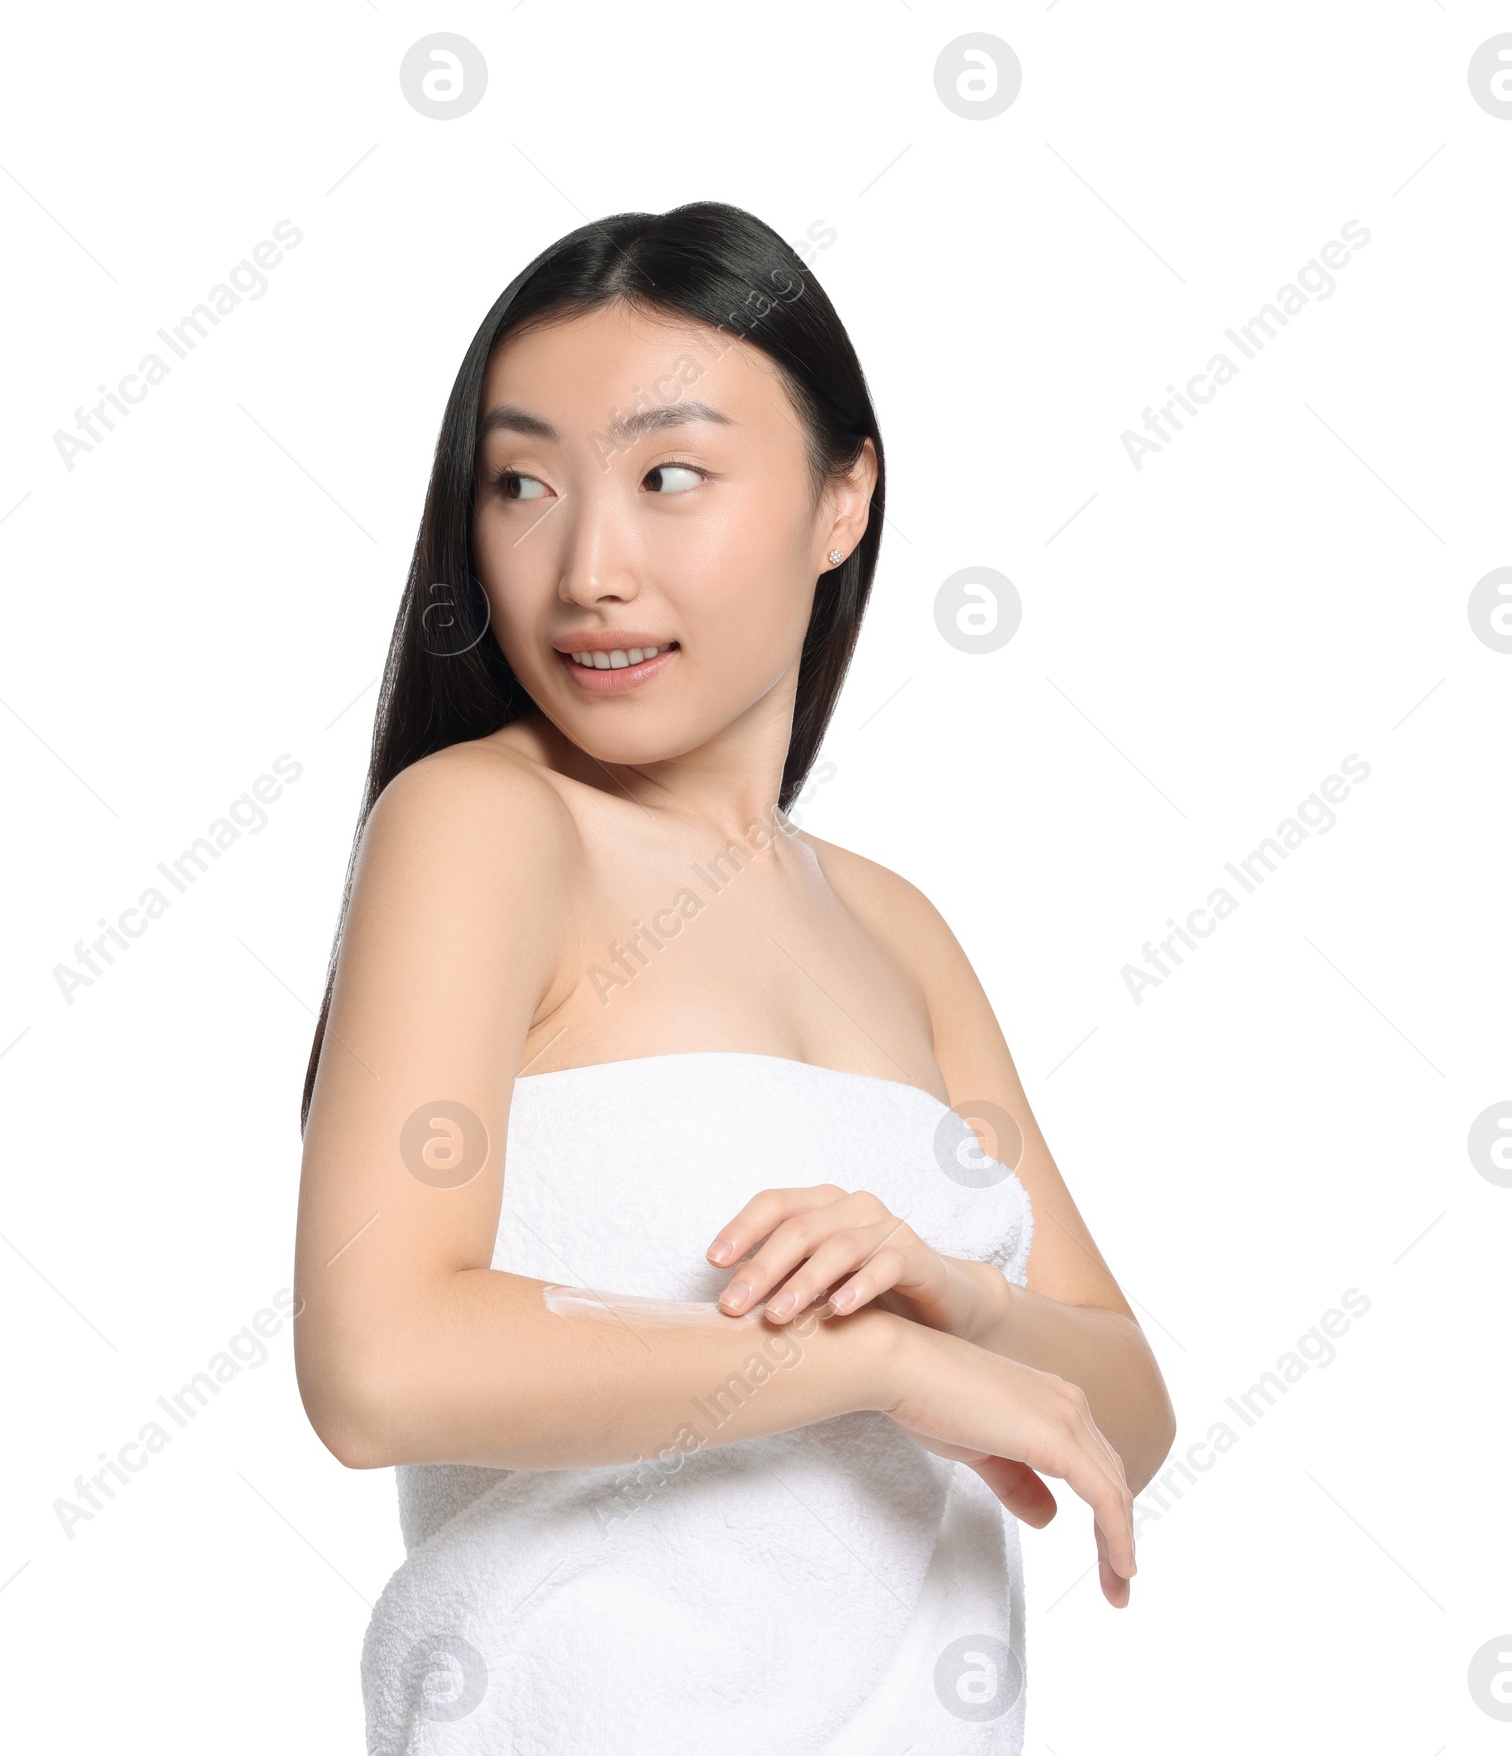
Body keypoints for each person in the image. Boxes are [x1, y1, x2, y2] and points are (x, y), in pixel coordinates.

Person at [293, 199, 1176, 1754]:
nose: (587, 567)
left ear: (845, 500)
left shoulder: (897, 926)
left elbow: (1123, 1406)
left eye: (670, 476)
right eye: (522, 484)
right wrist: (874, 1361)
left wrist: (953, 1296)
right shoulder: (482, 827)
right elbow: (378, 1362)